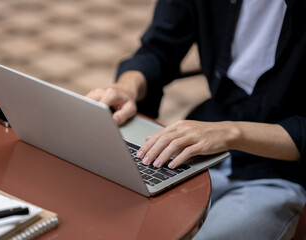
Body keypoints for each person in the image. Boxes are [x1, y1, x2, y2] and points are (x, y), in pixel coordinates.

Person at [86, 0, 306, 239]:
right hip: (201, 155)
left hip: (280, 173)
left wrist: (231, 133)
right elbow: (159, 47)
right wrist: (127, 86)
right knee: (112, 214)